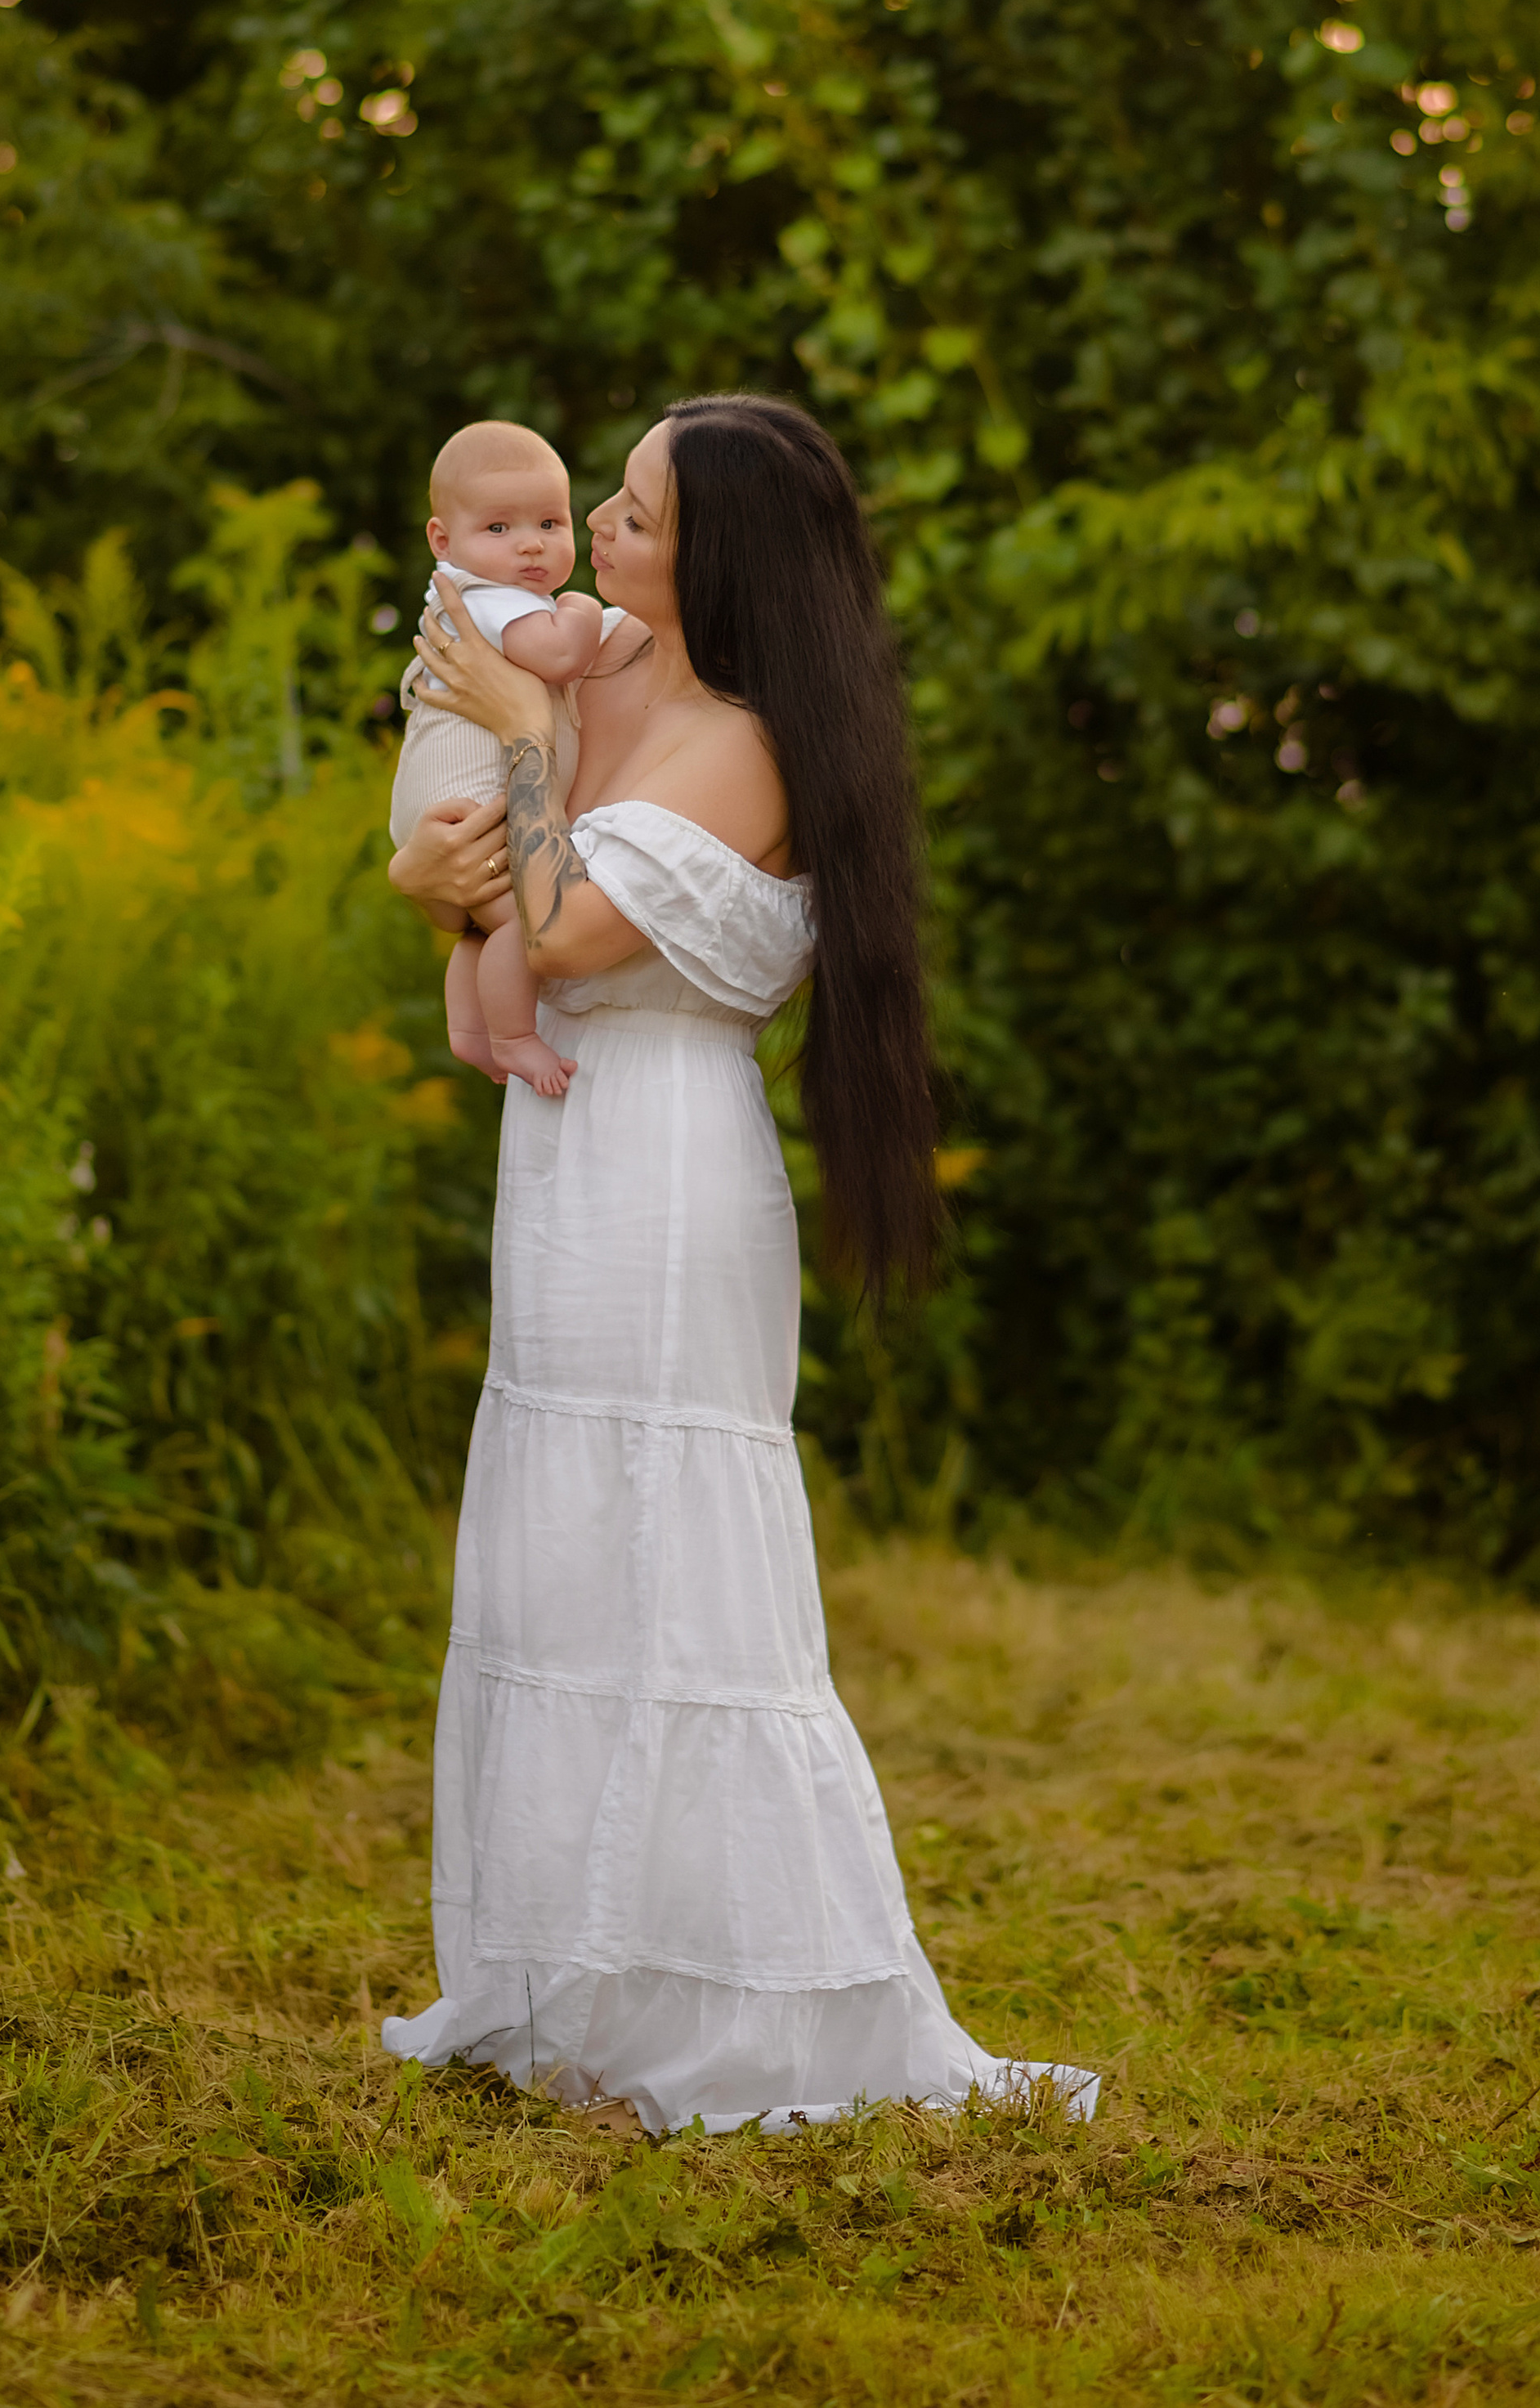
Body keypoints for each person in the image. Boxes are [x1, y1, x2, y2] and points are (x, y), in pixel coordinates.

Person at [382, 392, 1097, 2133]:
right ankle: (572, 1986)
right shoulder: (598, 661)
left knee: (670, 1562)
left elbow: (557, 925)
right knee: (561, 1556)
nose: (594, 539)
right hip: (557, 1152)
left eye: (628, 515)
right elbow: (472, 875)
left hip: (665, 1172)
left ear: (719, 558)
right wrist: (427, 866)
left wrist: (506, 760)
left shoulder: (751, 743)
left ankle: (735, 2008)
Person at [387, 421, 621, 1099]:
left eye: (550, 522)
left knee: (475, 930)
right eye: (499, 529)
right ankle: (514, 1036)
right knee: (522, 921)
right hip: (471, 805)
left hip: (440, 817)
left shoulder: (474, 599)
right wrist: (579, 604)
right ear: (442, 541)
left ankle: (468, 1030)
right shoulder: (493, 603)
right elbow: (559, 654)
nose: (529, 544)